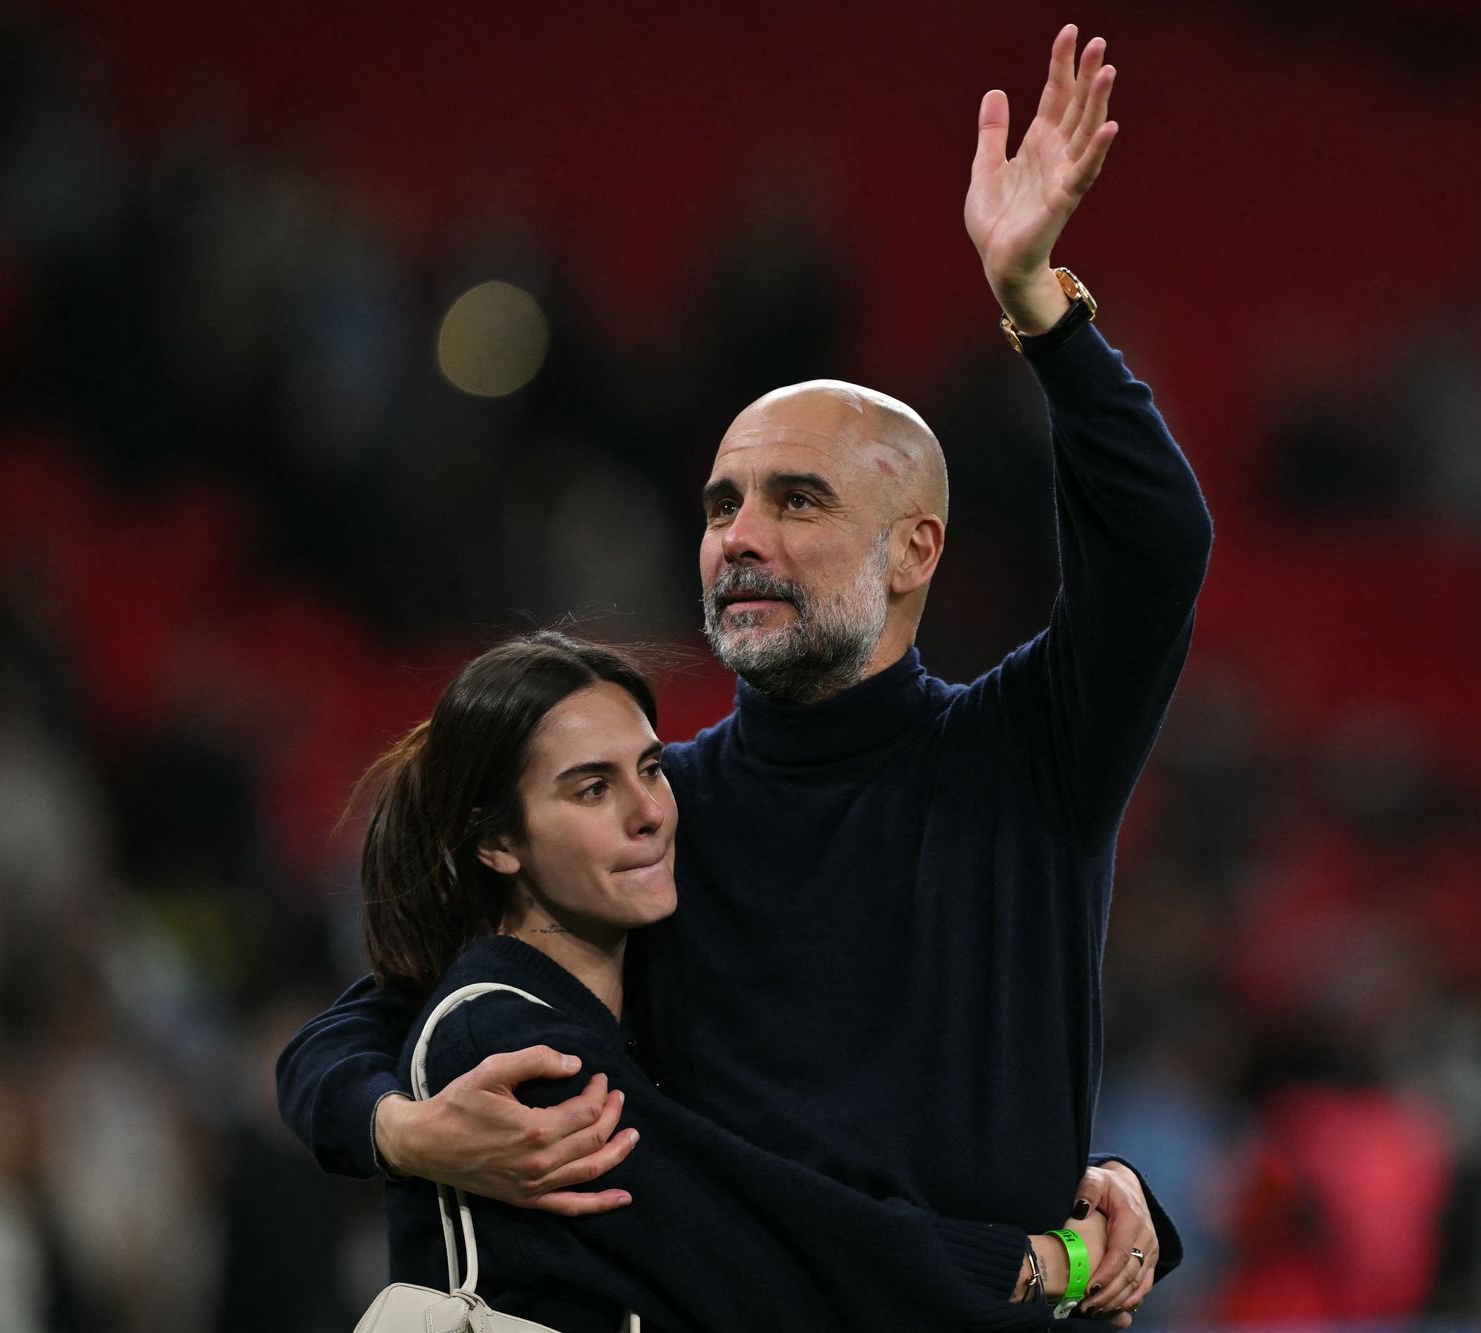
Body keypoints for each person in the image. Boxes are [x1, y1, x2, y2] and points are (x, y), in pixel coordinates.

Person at [280, 24, 1210, 1322]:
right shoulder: (656, 819)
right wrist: (396, 1129)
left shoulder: (1028, 756)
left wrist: (1035, 302)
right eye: (722, 504)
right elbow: (366, 1024)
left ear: (913, 550)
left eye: (797, 499)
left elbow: (1160, 543)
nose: (740, 537)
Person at [358, 630, 1103, 1329]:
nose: (648, 811)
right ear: (496, 841)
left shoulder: (632, 1000)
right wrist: (1039, 1264)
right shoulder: (502, 1040)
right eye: (591, 789)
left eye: (651, 768)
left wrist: (1104, 1180)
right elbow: (767, 1253)